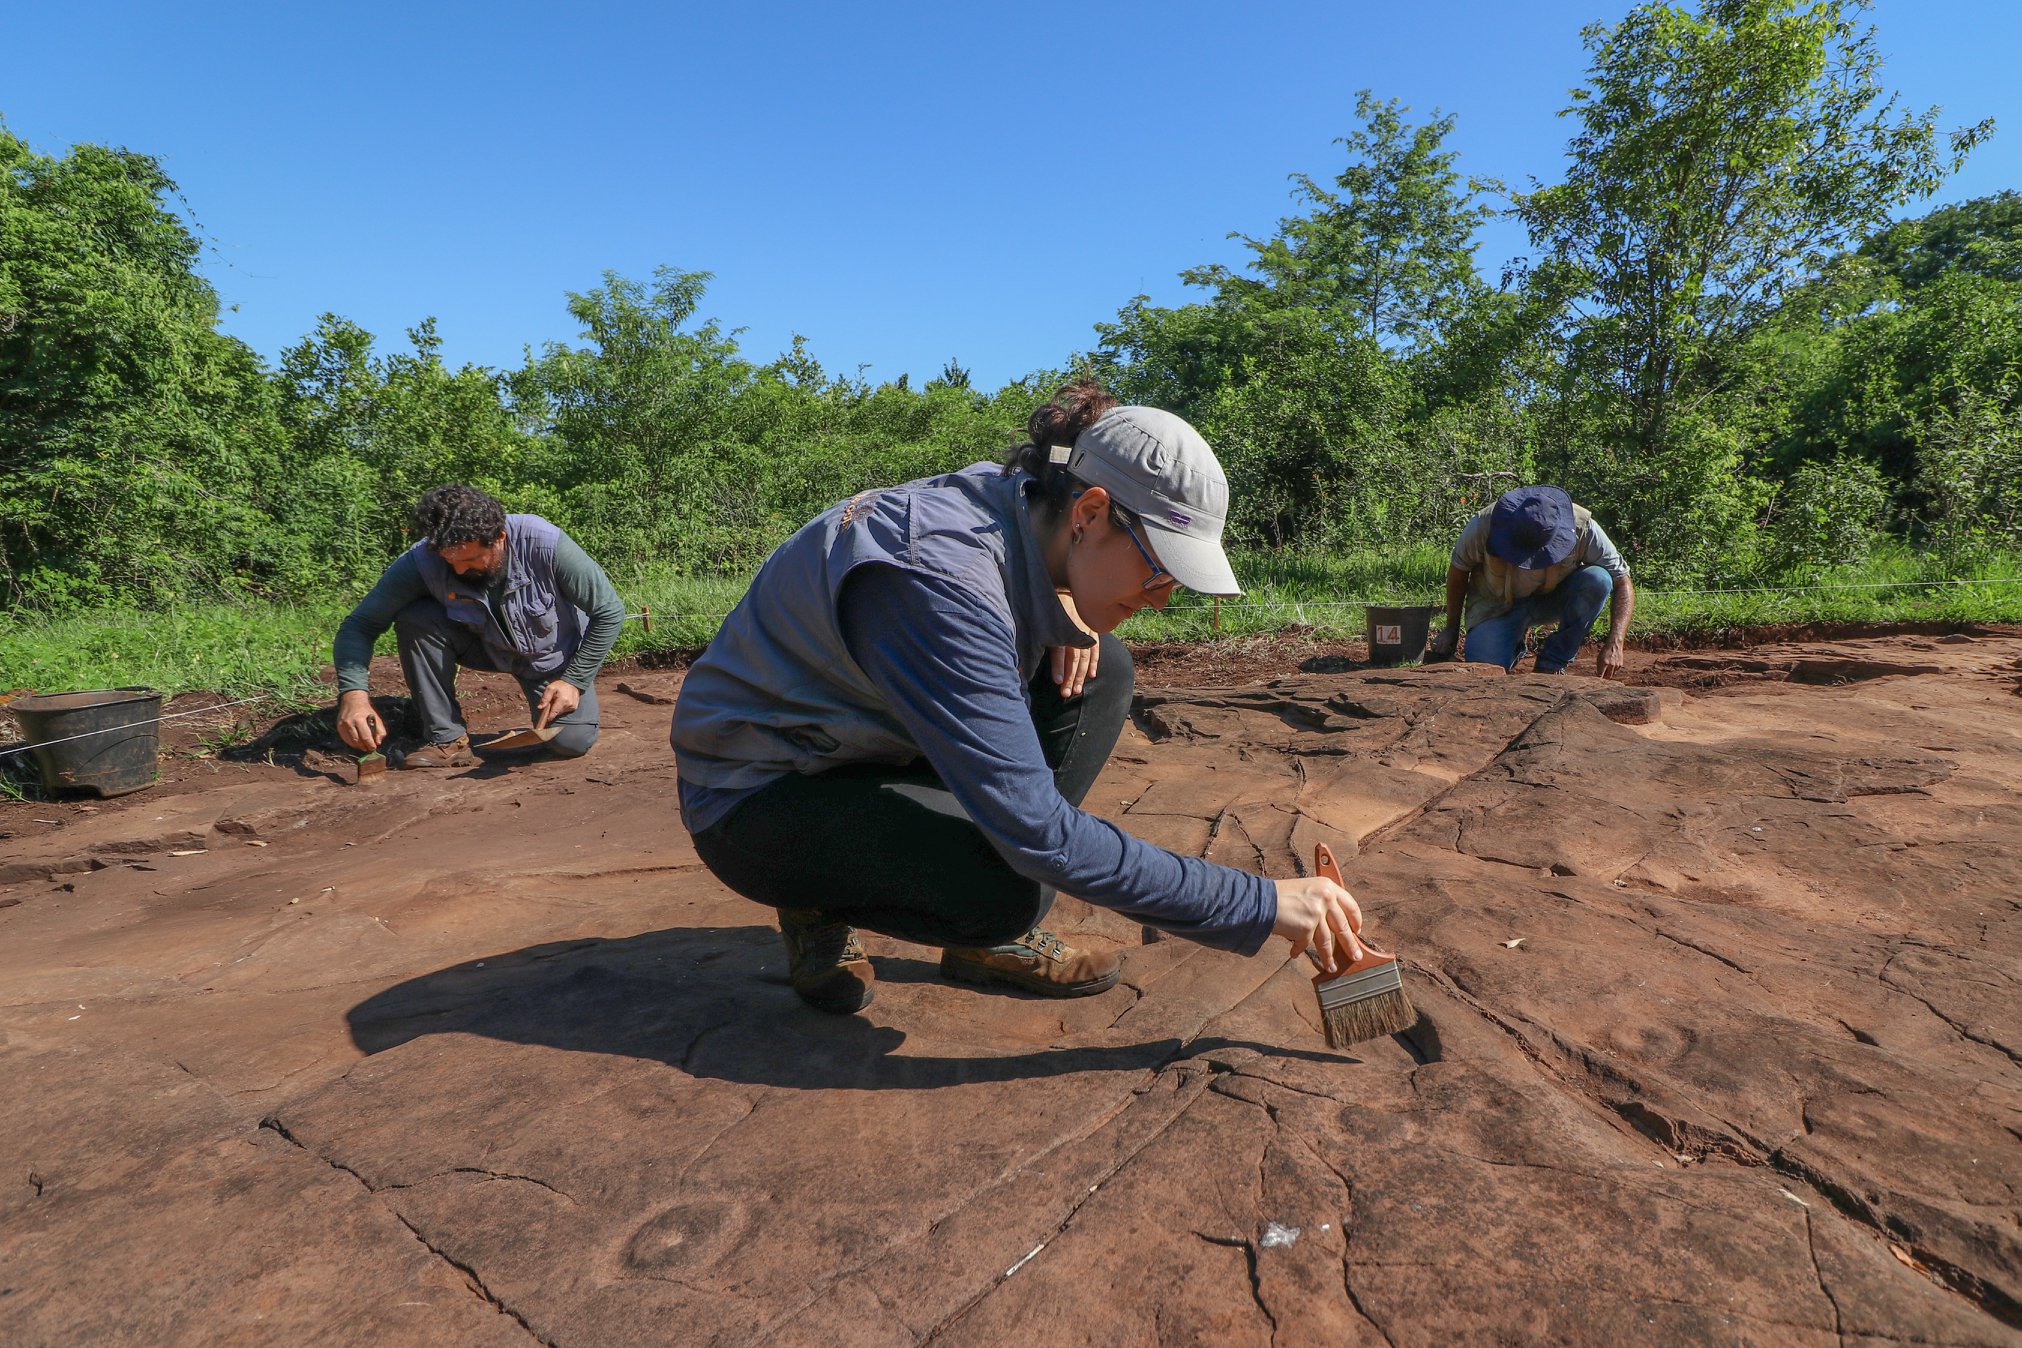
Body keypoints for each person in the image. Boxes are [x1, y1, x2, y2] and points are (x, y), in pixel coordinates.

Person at [669, 381, 1368, 1015]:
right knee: (1009, 889)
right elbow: (1040, 834)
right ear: (1090, 512)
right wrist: (1258, 902)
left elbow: (1020, 568)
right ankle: (819, 903)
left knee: (1101, 667)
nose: (1161, 601)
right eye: (1159, 573)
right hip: (759, 794)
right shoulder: (934, 582)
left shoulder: (1028, 501)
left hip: (867, 735)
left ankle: (970, 925)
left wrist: (1058, 606)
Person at [333, 484, 626, 766]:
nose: (460, 569)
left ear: (499, 537)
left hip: (552, 656)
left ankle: (565, 704)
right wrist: (353, 696)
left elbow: (609, 612)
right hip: (485, 645)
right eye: (450, 561)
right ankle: (447, 739)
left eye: (471, 558)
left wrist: (574, 681)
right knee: (416, 618)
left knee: (572, 741)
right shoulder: (420, 561)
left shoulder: (544, 543)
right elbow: (360, 624)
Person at [1428, 484, 1635, 677]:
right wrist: (1451, 629)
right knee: (1485, 669)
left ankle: (1553, 662)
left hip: (1551, 599)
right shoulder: (1483, 525)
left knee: (1599, 579)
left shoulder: (1582, 526)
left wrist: (1616, 642)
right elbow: (1458, 572)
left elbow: (1622, 581)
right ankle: (1513, 643)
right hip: (1496, 606)